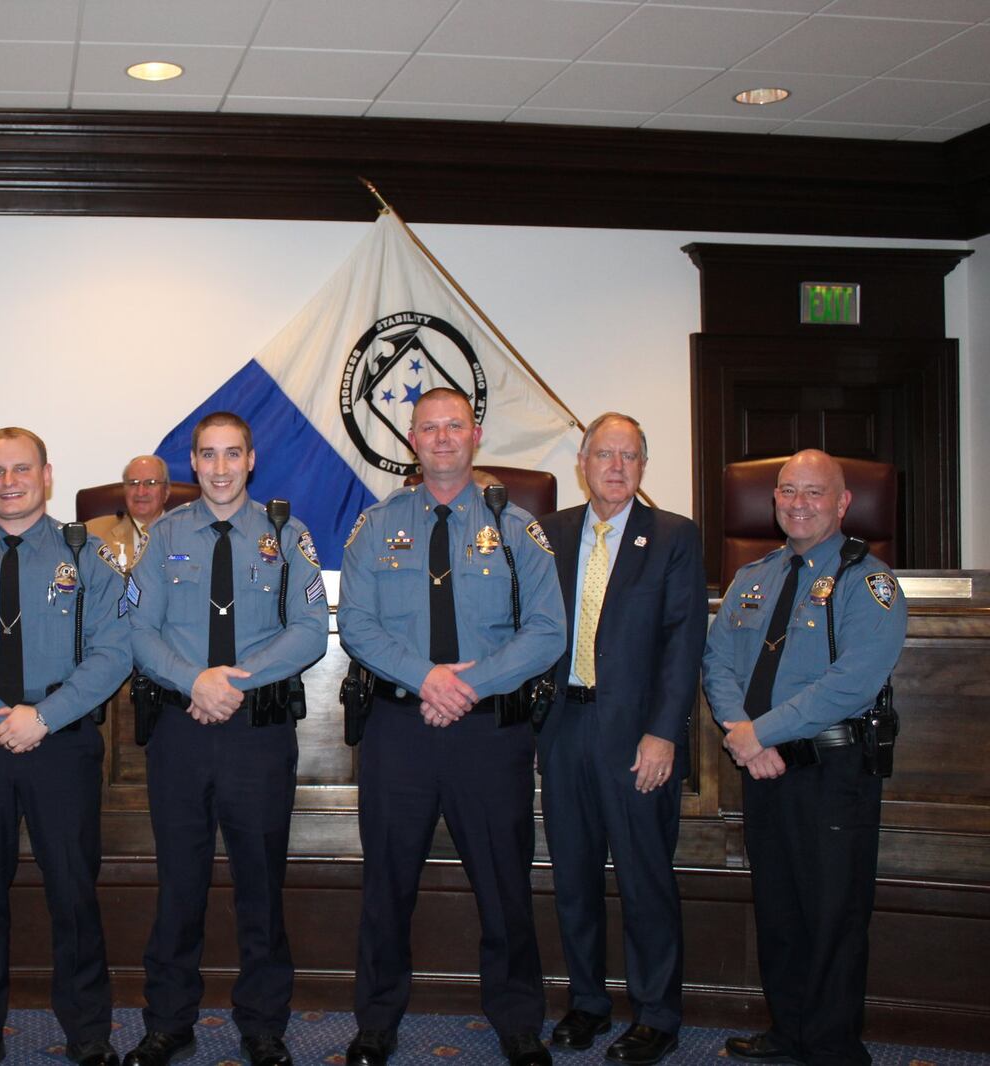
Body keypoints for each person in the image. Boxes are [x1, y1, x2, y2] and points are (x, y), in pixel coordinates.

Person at [337, 386, 564, 1066]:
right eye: (428, 428)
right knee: (386, 884)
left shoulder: (517, 527)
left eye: (453, 427)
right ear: (412, 441)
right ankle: (376, 1022)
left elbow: (548, 630)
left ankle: (519, 1022)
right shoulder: (375, 526)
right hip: (398, 731)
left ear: (476, 435)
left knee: (504, 885)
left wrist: (466, 682)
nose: (441, 438)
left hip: (488, 733)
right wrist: (425, 676)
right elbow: (356, 625)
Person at [0, 427, 133, 1066]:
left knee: (73, 893)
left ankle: (89, 1033)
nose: (8, 482)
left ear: (47, 475)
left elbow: (113, 651)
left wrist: (44, 715)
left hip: (60, 743)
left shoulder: (86, 557)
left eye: (21, 469)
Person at [124, 411, 329, 1066]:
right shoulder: (164, 536)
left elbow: (308, 627)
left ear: (251, 460)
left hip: (256, 733)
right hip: (181, 731)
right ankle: (168, 1022)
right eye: (207, 455)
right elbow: (137, 629)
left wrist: (234, 681)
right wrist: (194, 681)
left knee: (260, 884)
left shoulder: (287, 534)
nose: (218, 468)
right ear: (192, 461)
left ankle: (264, 1025)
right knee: (178, 883)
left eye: (231, 454)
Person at [702, 449, 905, 1066]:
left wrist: (759, 733)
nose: (798, 503)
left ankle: (833, 1049)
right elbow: (718, 663)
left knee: (832, 917)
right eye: (788, 491)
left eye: (814, 493)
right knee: (781, 910)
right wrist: (744, 734)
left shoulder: (866, 580)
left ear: (843, 503)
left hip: (830, 774)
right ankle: (788, 1032)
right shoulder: (753, 576)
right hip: (763, 770)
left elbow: (854, 681)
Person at [536, 414, 706, 1065]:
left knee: (643, 878)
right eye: (603, 453)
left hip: (639, 739)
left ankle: (657, 1014)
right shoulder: (548, 534)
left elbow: (682, 643)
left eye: (628, 455)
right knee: (574, 877)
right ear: (582, 460)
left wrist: (664, 733)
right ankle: (587, 1002)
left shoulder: (673, 537)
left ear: (641, 465)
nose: (615, 466)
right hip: (564, 728)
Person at [85, 454, 171, 571]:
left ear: (166, 491)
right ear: (124, 490)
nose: (141, 492)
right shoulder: (92, 533)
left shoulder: (187, 534)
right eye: (133, 483)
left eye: (150, 483)